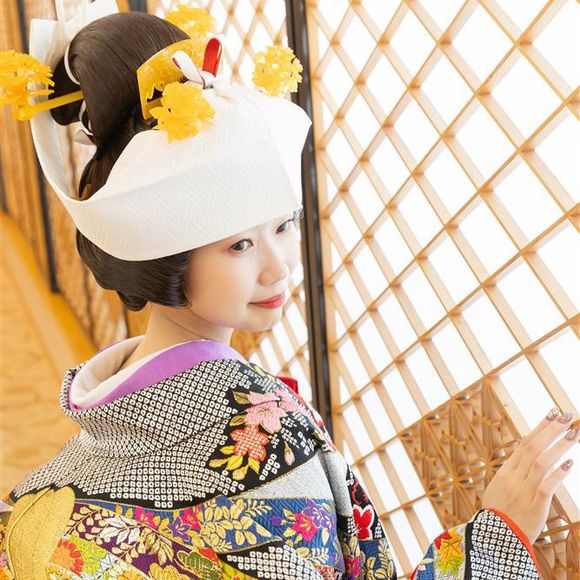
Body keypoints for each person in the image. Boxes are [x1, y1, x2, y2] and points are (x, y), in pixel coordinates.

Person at [0, 2, 577, 578]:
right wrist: (499, 535)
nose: (278, 268)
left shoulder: (90, 427)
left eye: (284, 225)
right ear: (163, 258)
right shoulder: (267, 446)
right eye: (239, 245)